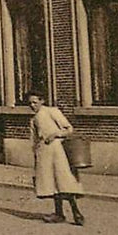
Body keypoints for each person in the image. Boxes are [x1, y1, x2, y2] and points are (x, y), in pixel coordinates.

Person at [26, 90, 85, 226]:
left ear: (42, 101)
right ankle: (59, 214)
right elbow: (33, 139)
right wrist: (35, 154)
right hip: (43, 153)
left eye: (35, 102)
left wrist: (55, 134)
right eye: (30, 103)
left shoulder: (52, 112)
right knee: (51, 184)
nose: (32, 105)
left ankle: (77, 213)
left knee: (63, 181)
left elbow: (69, 129)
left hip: (57, 151)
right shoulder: (33, 119)